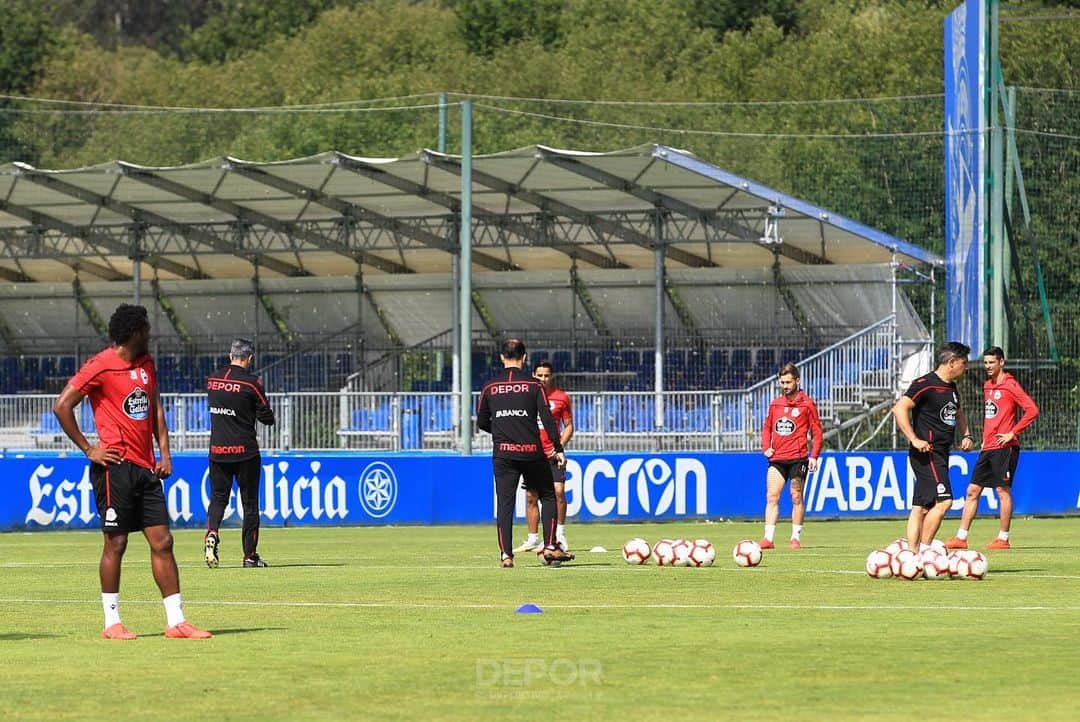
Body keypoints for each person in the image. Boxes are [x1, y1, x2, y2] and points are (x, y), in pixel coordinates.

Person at [52, 304, 211, 640]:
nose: (151, 333)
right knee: (117, 542)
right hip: (115, 468)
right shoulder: (100, 366)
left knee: (163, 541)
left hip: (145, 467)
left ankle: (176, 621)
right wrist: (89, 449)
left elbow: (154, 408)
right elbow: (62, 405)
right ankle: (112, 623)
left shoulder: (146, 364)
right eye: (147, 328)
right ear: (135, 332)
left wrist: (164, 453)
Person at [476, 338, 573, 568]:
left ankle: (506, 556)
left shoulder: (490, 387)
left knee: (505, 504)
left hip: (503, 454)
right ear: (524, 358)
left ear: (501, 357)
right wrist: (558, 448)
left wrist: (500, 431)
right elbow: (547, 419)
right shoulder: (534, 385)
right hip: (532, 452)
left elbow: (481, 421)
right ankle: (550, 546)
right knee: (548, 495)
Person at [946, 346, 1039, 551]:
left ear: (1001, 362)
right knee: (972, 491)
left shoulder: (1010, 385)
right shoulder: (988, 386)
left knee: (1002, 490)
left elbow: (1032, 410)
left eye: (992, 362)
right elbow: (992, 416)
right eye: (986, 362)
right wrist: (985, 440)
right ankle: (961, 538)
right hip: (987, 447)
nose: (988, 366)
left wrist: (1012, 433)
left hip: (1005, 447)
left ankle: (1003, 538)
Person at [892, 341, 974, 552]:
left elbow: (958, 412)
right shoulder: (925, 384)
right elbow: (899, 408)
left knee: (920, 508)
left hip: (941, 453)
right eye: (964, 363)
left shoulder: (951, 388)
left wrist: (966, 434)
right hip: (927, 453)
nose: (967, 367)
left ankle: (912, 554)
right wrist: (914, 439)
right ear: (952, 362)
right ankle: (926, 551)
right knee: (945, 502)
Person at [204, 338, 276, 568]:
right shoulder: (252, 383)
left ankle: (212, 533)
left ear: (230, 355)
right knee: (250, 505)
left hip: (217, 450)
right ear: (250, 358)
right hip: (245, 451)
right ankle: (249, 556)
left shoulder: (213, 380)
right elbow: (267, 417)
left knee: (218, 499)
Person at [759, 362, 823, 550]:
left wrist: (814, 456)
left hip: (799, 458)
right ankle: (768, 539)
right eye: (782, 382)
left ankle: (795, 538)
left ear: (797, 380)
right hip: (777, 459)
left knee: (796, 496)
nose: (785, 386)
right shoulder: (775, 404)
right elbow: (767, 427)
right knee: (772, 496)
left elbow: (817, 432)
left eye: (788, 382)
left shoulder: (807, 404)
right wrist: (766, 447)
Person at [514, 360, 574, 553]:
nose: (543, 379)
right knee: (532, 496)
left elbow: (569, 426)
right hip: (532, 454)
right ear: (533, 375)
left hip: (553, 454)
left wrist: (559, 447)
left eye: (546, 375)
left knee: (558, 492)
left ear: (552, 376)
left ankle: (560, 534)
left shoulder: (561, 398)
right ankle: (532, 538)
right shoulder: (526, 397)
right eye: (539, 375)